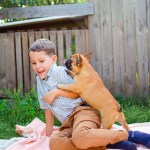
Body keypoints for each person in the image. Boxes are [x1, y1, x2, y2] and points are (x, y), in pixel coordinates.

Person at [29, 38, 150, 150]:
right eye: (33, 63)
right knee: (54, 142)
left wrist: (57, 92)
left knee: (80, 137)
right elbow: (47, 107)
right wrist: (48, 134)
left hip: (83, 112)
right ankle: (107, 141)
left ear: (53, 59)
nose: (38, 66)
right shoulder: (39, 81)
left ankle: (130, 135)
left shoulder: (61, 72)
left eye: (41, 61)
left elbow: (78, 93)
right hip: (68, 123)